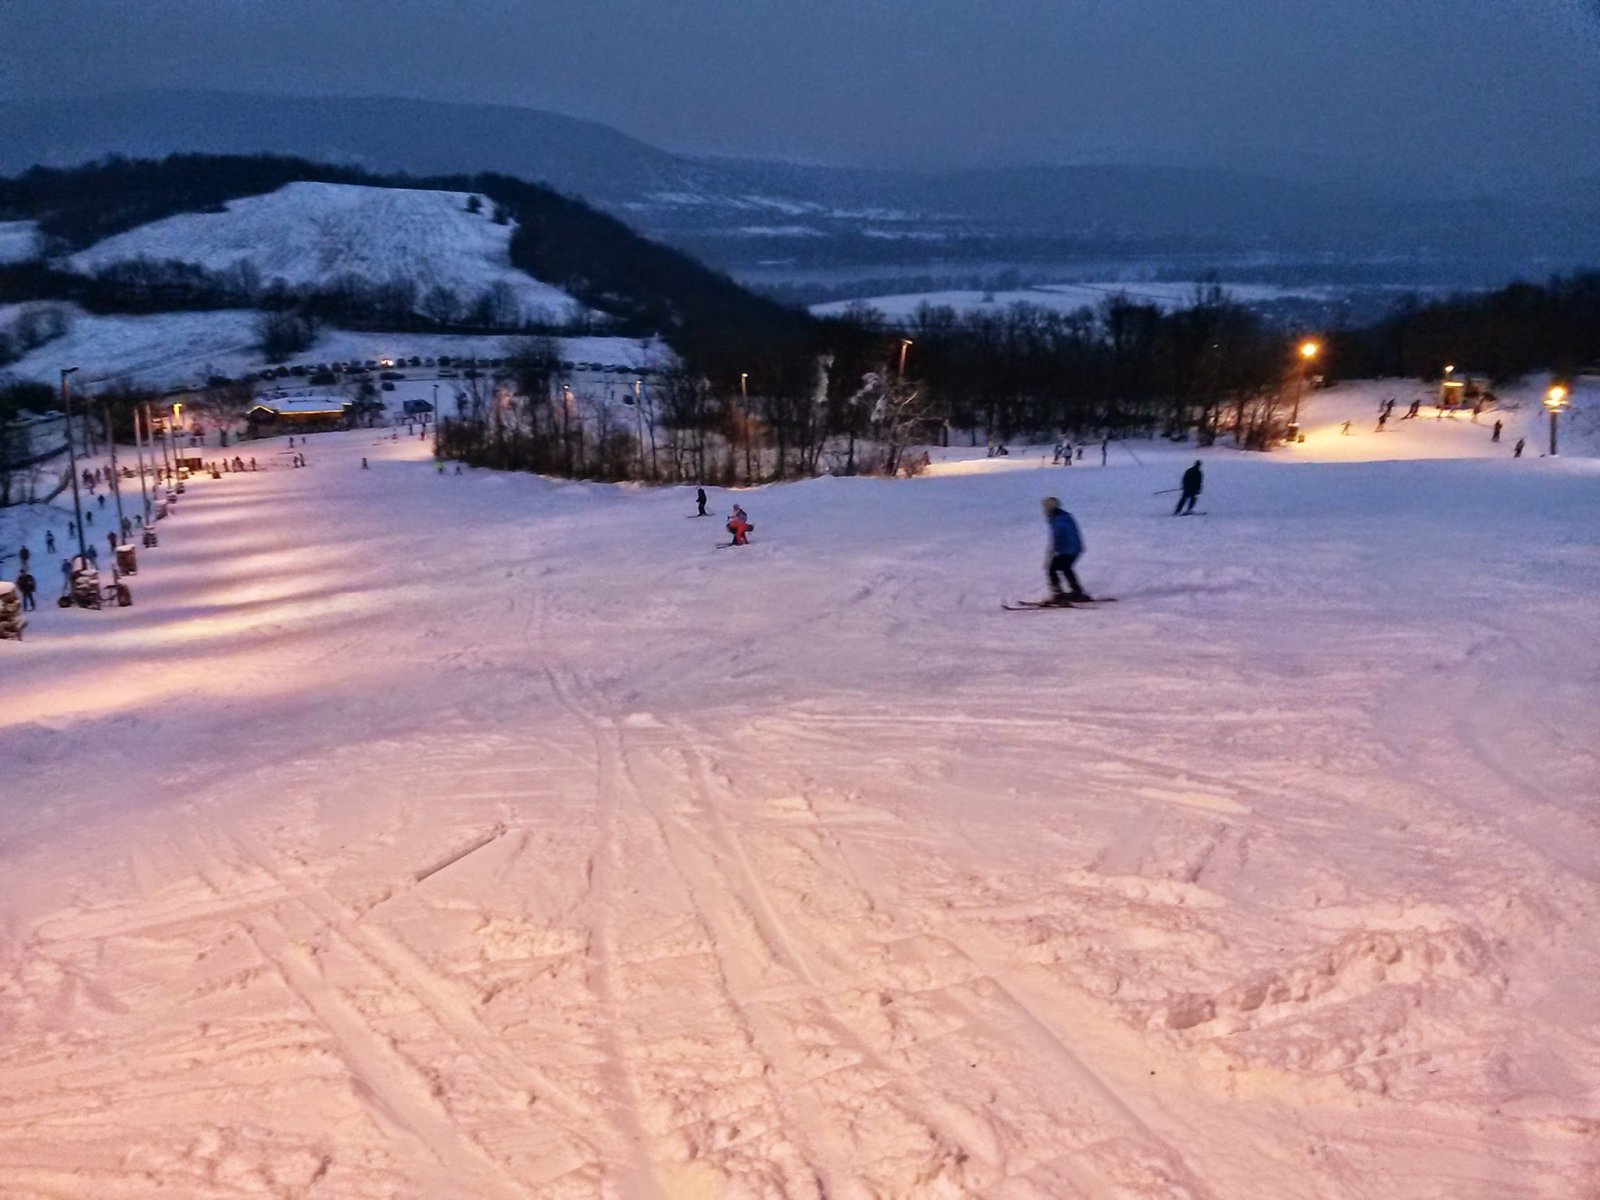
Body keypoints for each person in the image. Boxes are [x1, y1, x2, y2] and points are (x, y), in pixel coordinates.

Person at [1042, 497, 1090, 602]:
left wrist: (1055, 549)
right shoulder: (1064, 516)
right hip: (1075, 548)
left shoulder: (1058, 520)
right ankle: (1077, 591)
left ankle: (1058, 594)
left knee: (1051, 569)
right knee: (1065, 568)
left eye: (1045, 507)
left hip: (1068, 549)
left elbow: (1059, 536)